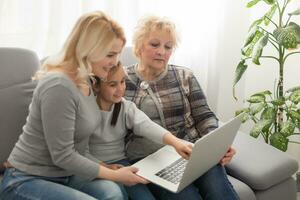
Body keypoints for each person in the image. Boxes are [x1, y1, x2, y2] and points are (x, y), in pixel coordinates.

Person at [0, 11, 146, 200]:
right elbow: (63, 155)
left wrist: (103, 166)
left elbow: (80, 147)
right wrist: (115, 175)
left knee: (113, 193)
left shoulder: (87, 81)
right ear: (88, 49)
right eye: (110, 54)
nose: (115, 62)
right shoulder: (58, 85)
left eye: (117, 54)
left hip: (64, 175)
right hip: (26, 179)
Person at [124, 16, 240, 200]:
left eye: (168, 47)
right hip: (149, 159)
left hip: (191, 153)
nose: (161, 51)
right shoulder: (122, 80)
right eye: (154, 44)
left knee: (220, 192)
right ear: (138, 45)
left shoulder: (184, 76)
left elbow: (205, 116)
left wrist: (219, 147)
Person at [89, 61, 193, 200]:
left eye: (122, 82)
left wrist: (176, 143)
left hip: (121, 163)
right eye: (113, 85)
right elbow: (76, 150)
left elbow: (147, 126)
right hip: (93, 166)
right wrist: (104, 166)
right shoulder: (85, 109)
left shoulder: (126, 107)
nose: (120, 89)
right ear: (96, 86)